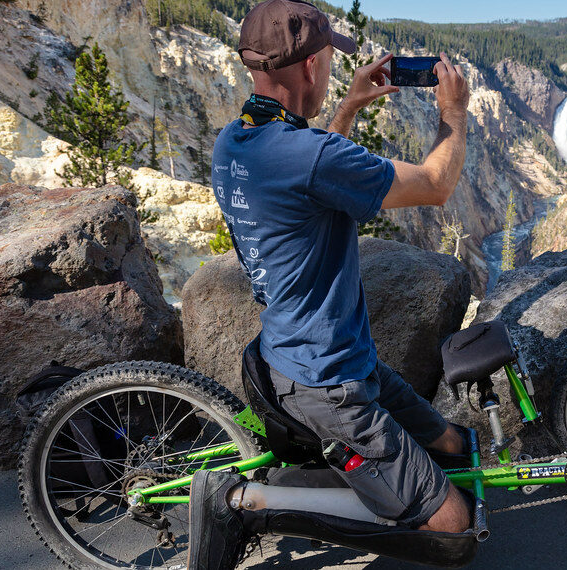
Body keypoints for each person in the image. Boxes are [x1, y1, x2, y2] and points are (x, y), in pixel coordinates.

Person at [187, 1, 472, 568]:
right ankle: (242, 503)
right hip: (326, 382)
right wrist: (454, 113)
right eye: (329, 61)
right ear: (313, 67)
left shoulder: (235, 144)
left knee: (456, 447)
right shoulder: (314, 157)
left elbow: (310, 179)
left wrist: (347, 109)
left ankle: (374, 476)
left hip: (327, 357)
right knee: (455, 532)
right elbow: (437, 184)